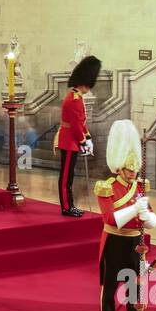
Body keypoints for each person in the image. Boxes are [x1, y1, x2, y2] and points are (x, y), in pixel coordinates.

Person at [94, 120, 156, 311]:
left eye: (135, 170)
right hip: (114, 242)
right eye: (129, 169)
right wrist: (134, 209)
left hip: (135, 244)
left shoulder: (140, 186)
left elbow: (152, 220)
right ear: (120, 167)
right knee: (110, 289)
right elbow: (110, 219)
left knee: (135, 289)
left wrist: (147, 215)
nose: (133, 173)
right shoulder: (107, 187)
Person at [55, 55, 101, 217]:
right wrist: (83, 141)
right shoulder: (74, 99)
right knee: (66, 175)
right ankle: (66, 206)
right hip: (69, 141)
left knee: (70, 175)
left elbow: (81, 122)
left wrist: (87, 139)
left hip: (72, 140)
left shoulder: (77, 97)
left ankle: (70, 205)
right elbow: (75, 125)